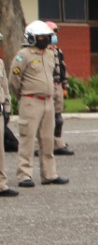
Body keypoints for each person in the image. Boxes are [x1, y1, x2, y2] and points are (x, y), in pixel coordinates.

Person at [10, 20, 69, 188]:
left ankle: (49, 174)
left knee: (47, 140)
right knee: (27, 139)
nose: (45, 40)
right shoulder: (24, 55)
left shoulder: (50, 54)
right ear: (32, 38)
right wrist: (23, 95)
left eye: (47, 37)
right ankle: (24, 175)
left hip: (48, 102)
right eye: (41, 37)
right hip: (30, 100)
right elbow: (14, 79)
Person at [43, 22, 74, 156]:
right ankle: (43, 145)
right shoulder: (43, 51)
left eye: (56, 32)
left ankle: (58, 143)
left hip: (58, 85)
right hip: (47, 87)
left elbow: (63, 69)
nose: (55, 35)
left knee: (58, 118)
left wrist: (65, 85)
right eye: (53, 32)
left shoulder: (58, 51)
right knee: (45, 118)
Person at [0, 33, 15, 197]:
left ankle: (1, 184)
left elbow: (4, 87)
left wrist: (7, 107)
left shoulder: (0, 63)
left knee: (0, 151)